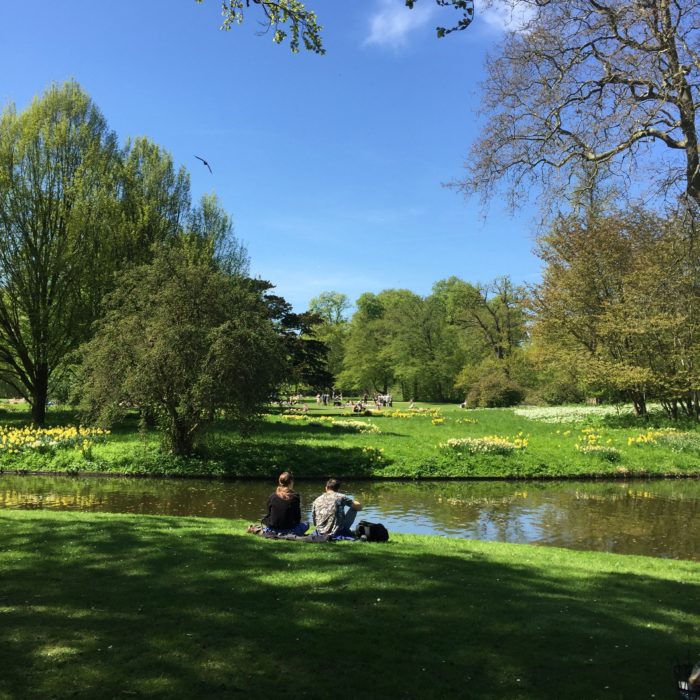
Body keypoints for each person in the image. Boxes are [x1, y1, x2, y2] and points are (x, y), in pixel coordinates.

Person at [262, 471, 308, 536]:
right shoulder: (295, 497)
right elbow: (297, 517)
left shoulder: (272, 496)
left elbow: (269, 514)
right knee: (306, 524)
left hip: (272, 529)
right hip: (289, 529)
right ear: (291, 482)